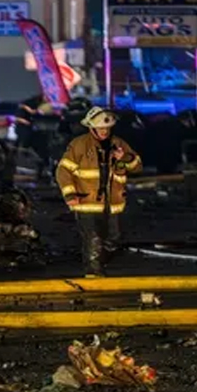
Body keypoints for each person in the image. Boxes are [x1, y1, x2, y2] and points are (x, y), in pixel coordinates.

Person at [56, 107, 142, 277]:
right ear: (92, 128)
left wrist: (125, 158)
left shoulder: (119, 144)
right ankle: (93, 273)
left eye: (107, 129)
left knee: (114, 240)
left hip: (113, 203)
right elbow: (63, 171)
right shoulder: (79, 145)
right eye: (101, 129)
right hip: (86, 202)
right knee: (93, 239)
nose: (104, 132)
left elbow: (137, 167)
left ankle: (97, 263)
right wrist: (70, 195)